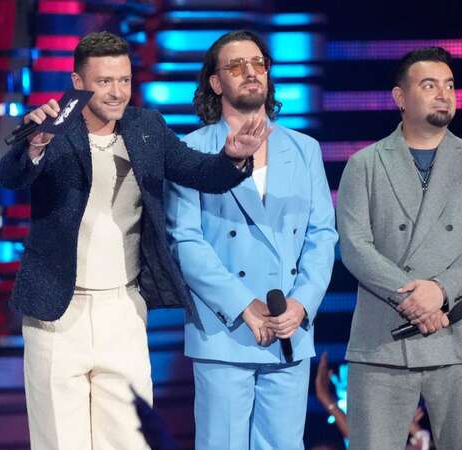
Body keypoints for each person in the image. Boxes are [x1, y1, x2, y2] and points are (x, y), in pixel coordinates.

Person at [0, 31, 263, 450]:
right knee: (58, 441)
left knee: (129, 440)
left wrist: (234, 158)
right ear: (78, 82)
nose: (117, 91)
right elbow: (12, 177)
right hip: (56, 313)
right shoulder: (51, 130)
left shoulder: (146, 127)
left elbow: (199, 172)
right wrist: (35, 144)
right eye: (105, 81)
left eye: (124, 80)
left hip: (122, 310)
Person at [165, 30, 337, 450]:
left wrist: (301, 305)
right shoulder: (190, 149)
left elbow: (322, 234)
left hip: (288, 329)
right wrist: (244, 306)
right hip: (225, 330)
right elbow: (184, 240)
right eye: (236, 66)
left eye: (257, 63)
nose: (250, 72)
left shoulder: (303, 149)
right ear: (215, 82)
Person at [337, 46, 462, 450]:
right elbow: (355, 246)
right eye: (429, 85)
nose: (444, 93)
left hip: (460, 336)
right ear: (400, 98)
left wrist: (439, 291)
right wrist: (412, 297)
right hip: (383, 339)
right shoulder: (365, 164)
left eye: (450, 85)